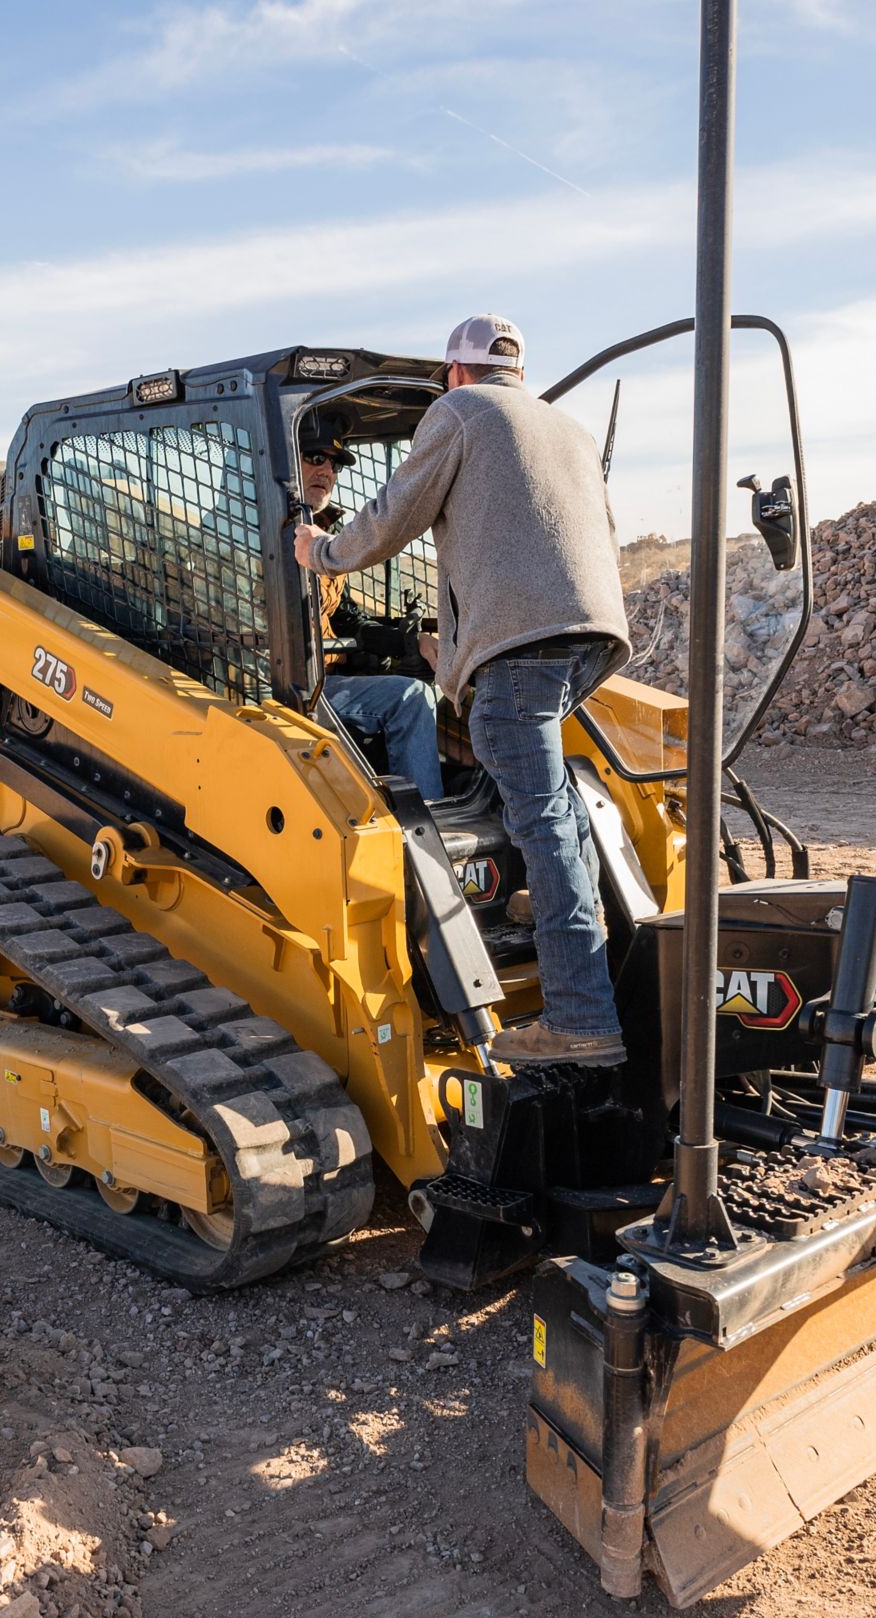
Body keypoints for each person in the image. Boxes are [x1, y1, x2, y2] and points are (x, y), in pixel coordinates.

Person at [295, 314, 631, 1068]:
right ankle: (565, 927)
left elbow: (389, 520)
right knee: (556, 808)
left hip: (518, 644)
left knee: (541, 818)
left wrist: (320, 552)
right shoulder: (564, 428)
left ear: (454, 373)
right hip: (592, 636)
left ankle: (580, 1014)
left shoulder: (458, 414)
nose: (329, 469)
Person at [302, 434, 446, 801]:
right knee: (410, 697)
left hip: (326, 679)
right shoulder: (252, 532)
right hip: (287, 687)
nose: (327, 471)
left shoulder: (326, 538)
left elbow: (347, 618)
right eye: (315, 458)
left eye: (333, 465)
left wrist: (412, 641)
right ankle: (427, 822)